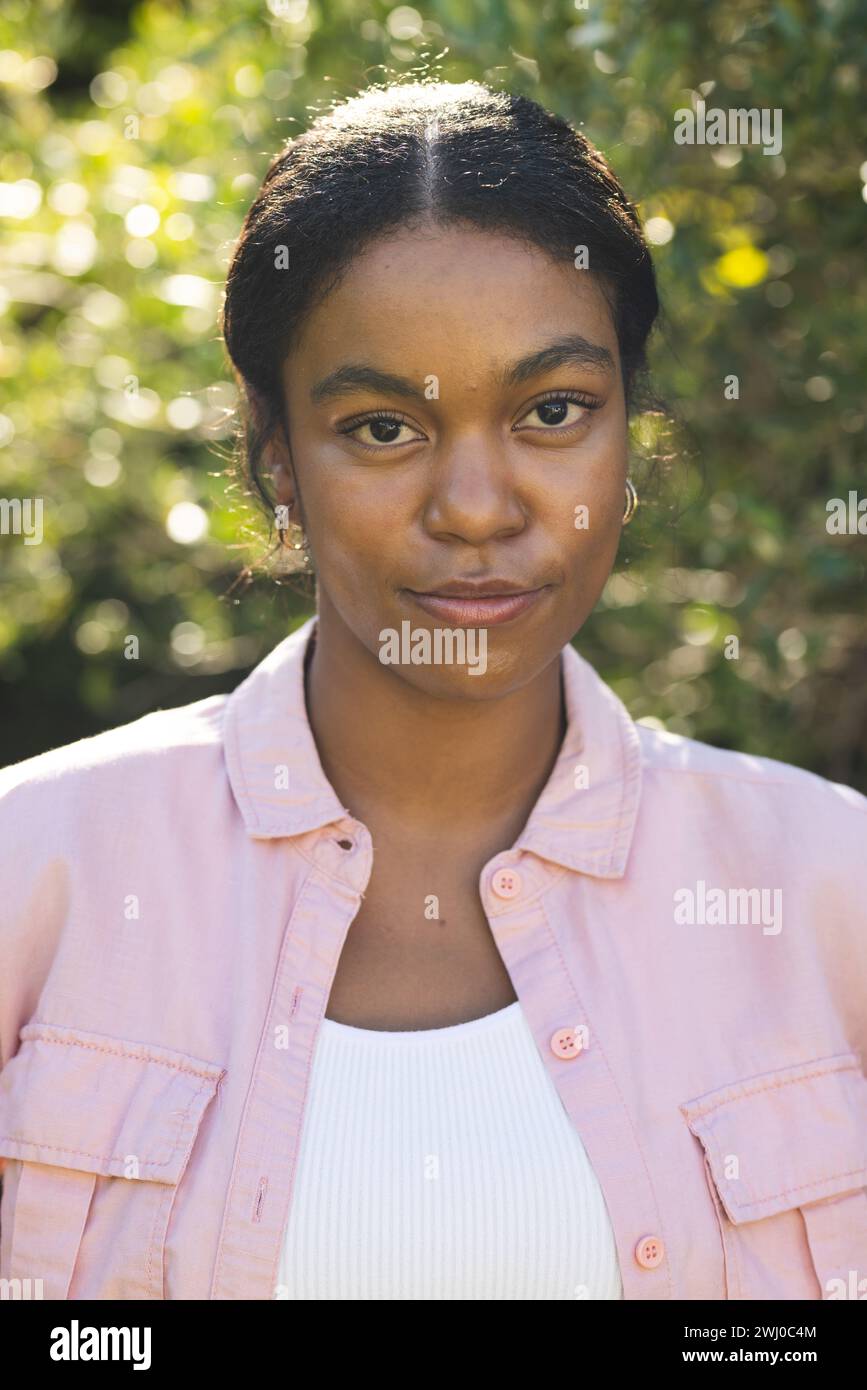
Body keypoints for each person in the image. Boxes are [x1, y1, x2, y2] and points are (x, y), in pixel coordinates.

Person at [1, 79, 865, 1303]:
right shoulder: (32, 872)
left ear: (632, 433)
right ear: (275, 457)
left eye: (553, 410)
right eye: (382, 428)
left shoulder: (831, 892)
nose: (476, 506)